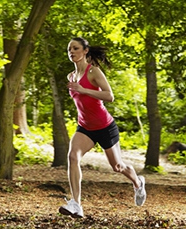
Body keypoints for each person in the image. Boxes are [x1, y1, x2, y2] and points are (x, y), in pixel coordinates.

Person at [58, 37, 146, 218]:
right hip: (85, 127)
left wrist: (84, 90)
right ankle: (76, 204)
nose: (72, 52)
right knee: (73, 157)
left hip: (105, 127)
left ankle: (138, 183)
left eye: (75, 48)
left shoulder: (94, 72)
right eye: (69, 50)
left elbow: (109, 96)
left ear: (85, 51)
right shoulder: (71, 76)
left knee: (118, 166)